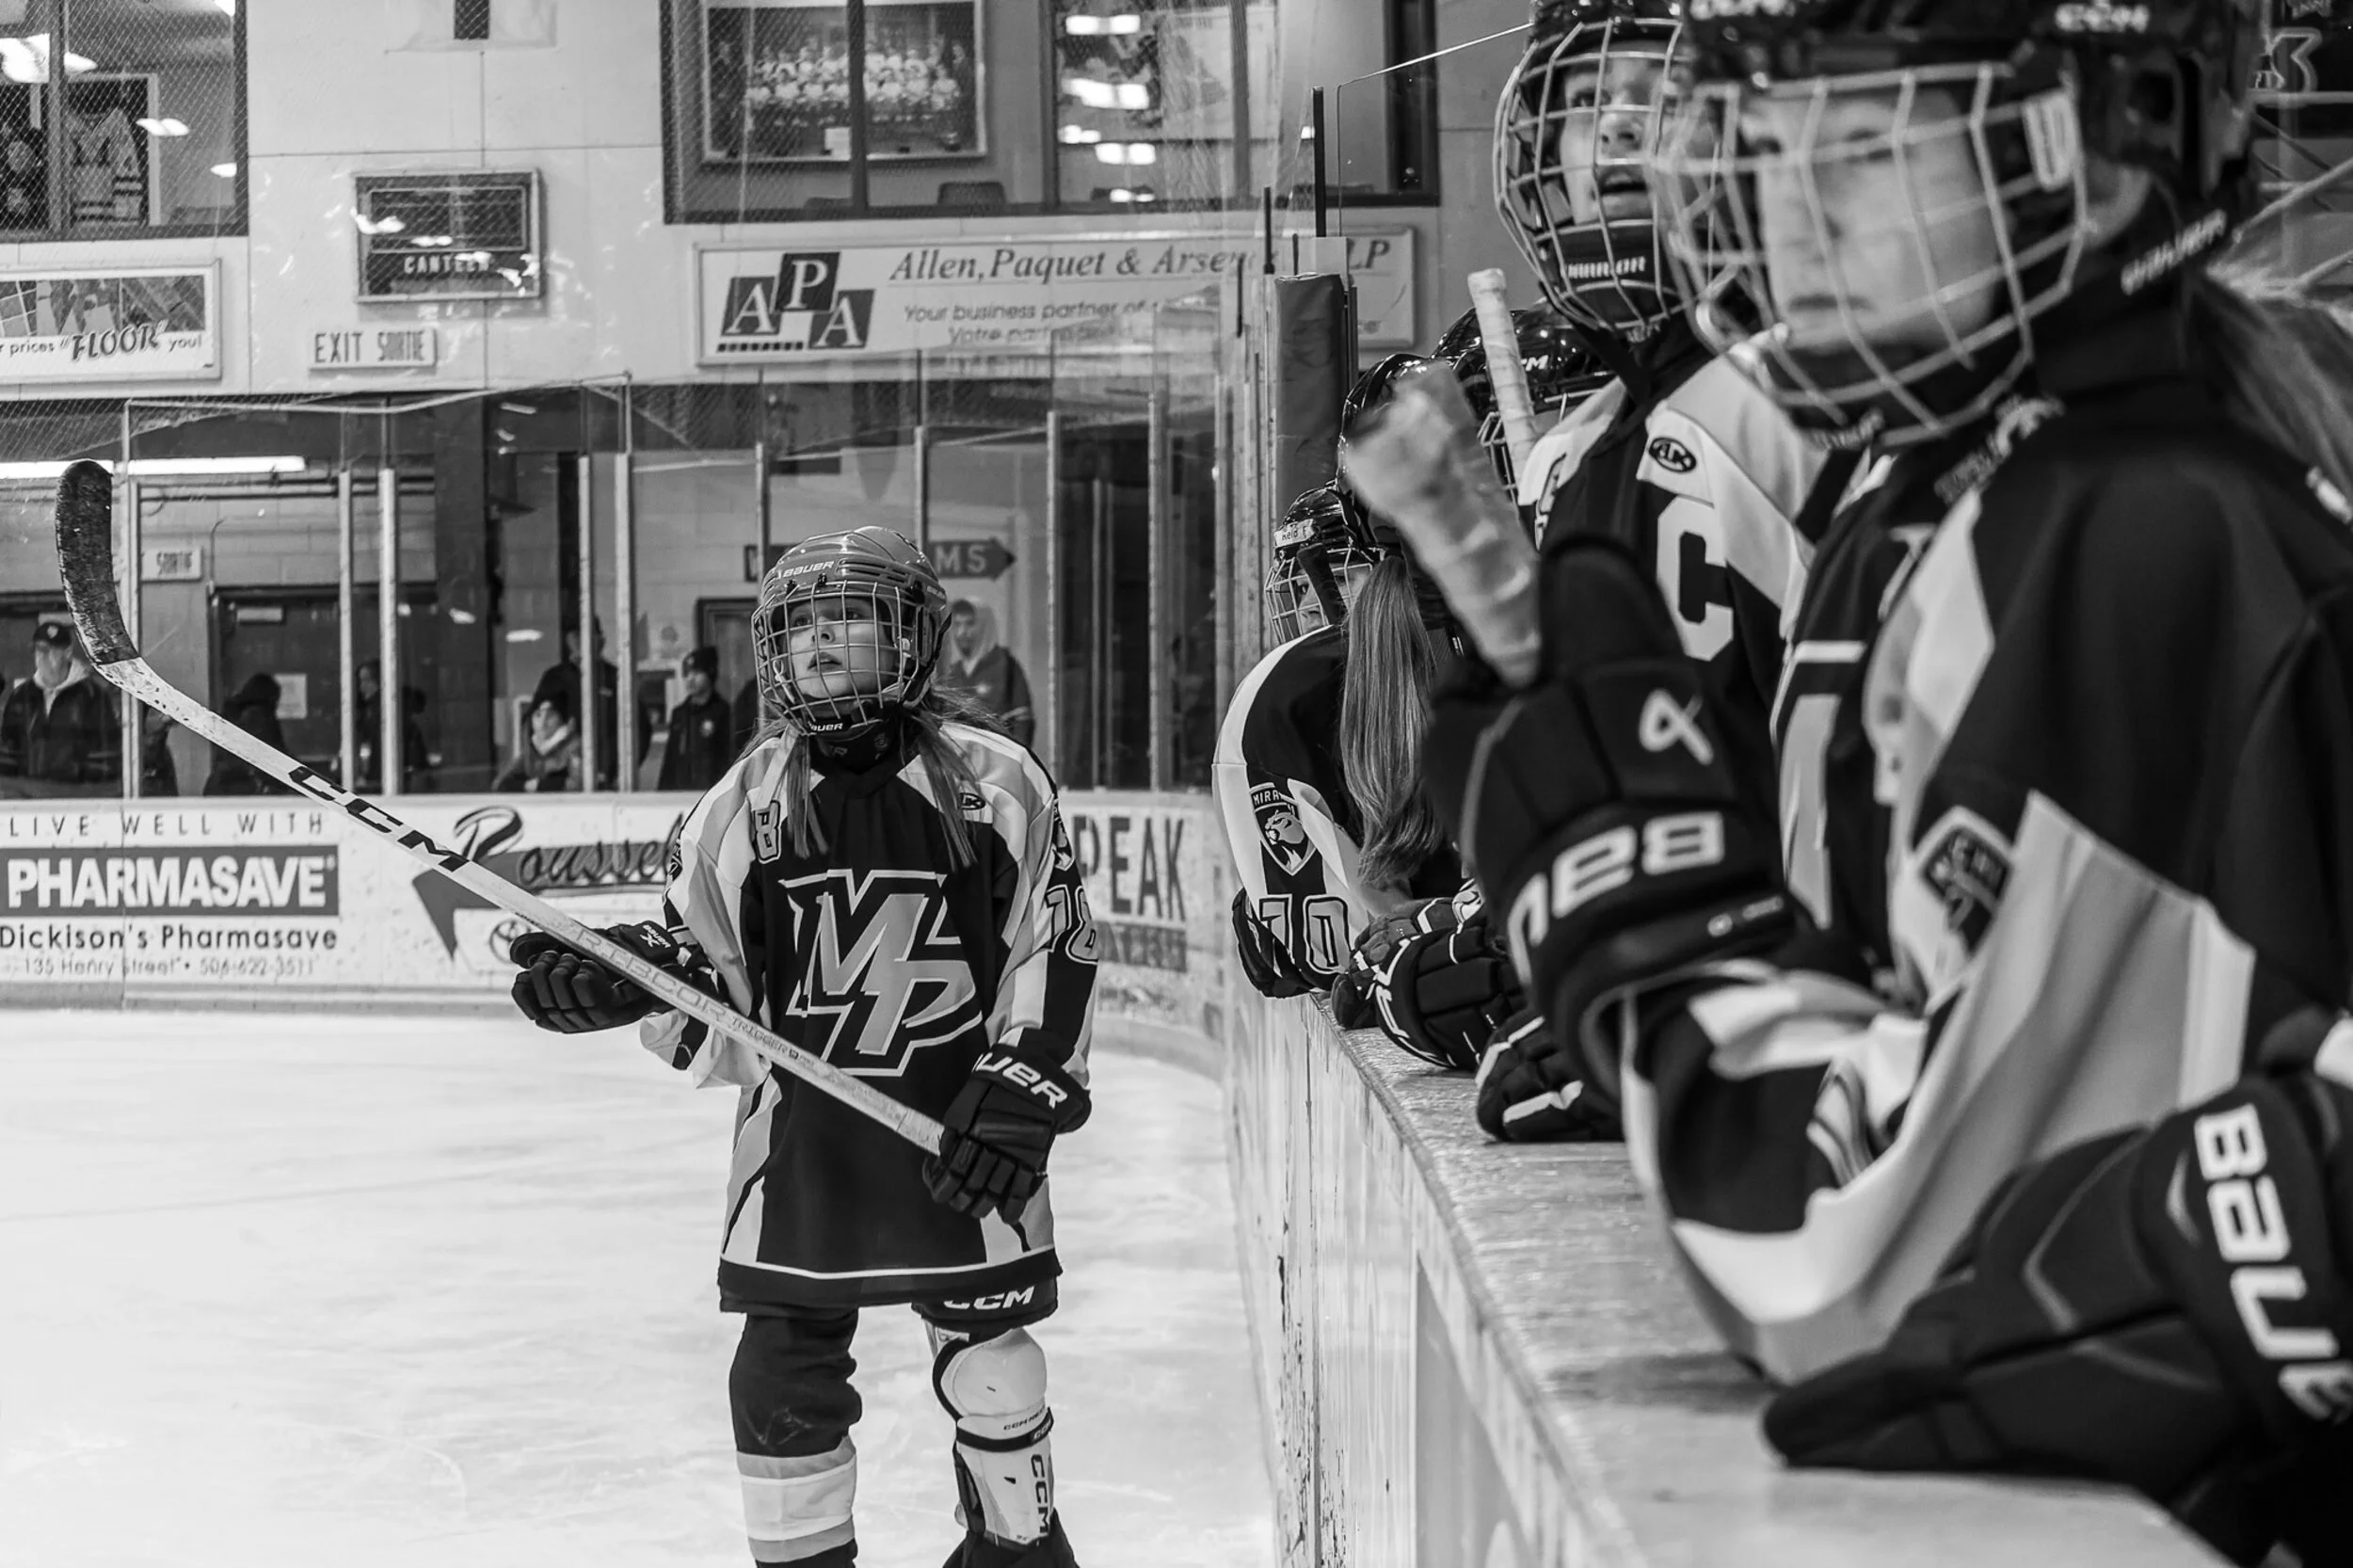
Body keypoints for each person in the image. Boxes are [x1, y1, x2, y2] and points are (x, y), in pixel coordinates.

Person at [1438, 0, 2353, 1552]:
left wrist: (1658, 952)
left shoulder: (2132, 541)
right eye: (1771, 142)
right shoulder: (1917, 492)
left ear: (2107, 156)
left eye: (1863, 143)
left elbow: (1871, 1275)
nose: (1793, 207)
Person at [505, 526, 1100, 1568]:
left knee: (996, 1366)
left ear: (915, 639)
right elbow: (704, 970)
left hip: (962, 1139)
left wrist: (1021, 1089)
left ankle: (1018, 1548)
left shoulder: (994, 784)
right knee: (777, 1383)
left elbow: (1053, 950)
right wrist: (625, 977)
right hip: (801, 1156)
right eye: (802, 629)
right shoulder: (747, 799)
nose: (823, 647)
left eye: (853, 624)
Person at [1439, 0, 1853, 1142]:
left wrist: (1752, 1007)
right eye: (1585, 109)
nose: (1617, 133)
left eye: (1658, 102)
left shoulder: (1806, 397)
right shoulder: (1593, 448)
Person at [0, 622, 120, 797]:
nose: (41, 657)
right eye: (37, 650)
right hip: (28, 802)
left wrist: (82, 790)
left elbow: (105, 757)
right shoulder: (20, 697)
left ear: (67, 653)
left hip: (78, 800)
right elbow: (8, 752)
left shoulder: (93, 696)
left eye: (49, 651)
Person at [531, 619, 648, 791]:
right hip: (559, 783)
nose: (581, 642)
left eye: (587, 635)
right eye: (576, 636)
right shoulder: (554, 679)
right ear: (568, 641)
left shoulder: (616, 678)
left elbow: (640, 729)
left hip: (606, 781)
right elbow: (532, 728)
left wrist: (618, 771)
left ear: (600, 640)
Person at [936, 600, 1034, 745]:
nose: (962, 632)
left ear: (985, 626)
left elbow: (1022, 724)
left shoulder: (1006, 665)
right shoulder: (952, 673)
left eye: (969, 624)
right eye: (957, 624)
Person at [657, 645, 735, 792]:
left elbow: (729, 758)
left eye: (697, 673)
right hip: (680, 796)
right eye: (686, 674)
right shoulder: (679, 714)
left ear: (710, 674)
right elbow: (670, 760)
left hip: (711, 795)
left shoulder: (723, 712)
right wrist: (662, 792)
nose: (690, 679)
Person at [201, 673, 288, 796]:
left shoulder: (230, 714)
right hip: (247, 788)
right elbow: (275, 754)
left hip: (219, 787)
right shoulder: (259, 717)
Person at [353, 658, 432, 792]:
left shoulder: (381, 714)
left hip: (385, 786)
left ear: (379, 681)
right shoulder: (377, 712)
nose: (362, 688)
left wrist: (373, 783)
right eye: (361, 682)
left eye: (367, 681)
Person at [493, 691, 583, 793]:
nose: (543, 722)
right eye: (538, 715)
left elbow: (578, 784)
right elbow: (500, 784)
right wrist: (527, 786)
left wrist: (540, 785)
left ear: (563, 720)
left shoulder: (574, 746)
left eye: (551, 715)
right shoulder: (531, 750)